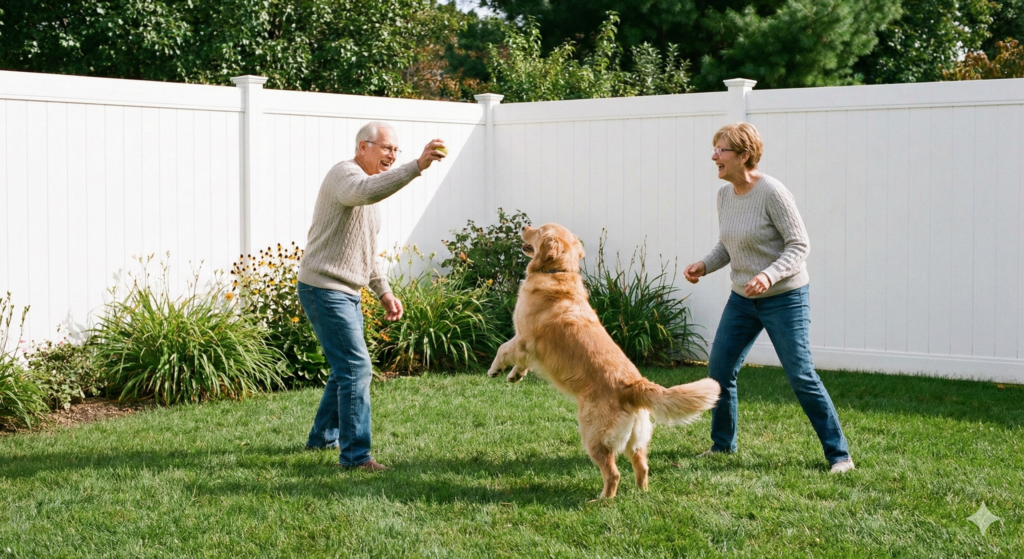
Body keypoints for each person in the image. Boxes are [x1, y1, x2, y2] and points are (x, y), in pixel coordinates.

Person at [684, 122, 854, 474]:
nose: (714, 156)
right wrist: (704, 264)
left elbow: (799, 244)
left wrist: (768, 275)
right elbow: (729, 245)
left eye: (721, 150)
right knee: (719, 371)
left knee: (801, 375)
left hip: (784, 297)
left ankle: (839, 456)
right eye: (715, 149)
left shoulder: (773, 192)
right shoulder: (725, 196)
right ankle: (722, 445)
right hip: (742, 299)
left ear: (744, 156)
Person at [297, 121, 446, 471]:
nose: (392, 155)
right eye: (386, 148)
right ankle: (355, 457)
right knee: (355, 366)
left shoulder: (369, 190)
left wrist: (384, 291)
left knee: (344, 367)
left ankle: (323, 436)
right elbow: (363, 191)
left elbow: (365, 249)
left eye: (397, 150)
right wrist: (417, 167)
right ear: (362, 147)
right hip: (324, 287)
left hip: (344, 290)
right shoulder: (345, 175)